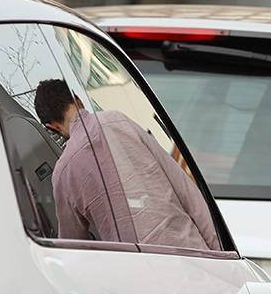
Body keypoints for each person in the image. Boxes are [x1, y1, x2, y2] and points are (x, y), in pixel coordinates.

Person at [33, 79, 220, 251]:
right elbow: (184, 188)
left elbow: (72, 247)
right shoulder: (118, 121)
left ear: (52, 126)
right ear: (78, 99)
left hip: (138, 270)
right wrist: (219, 249)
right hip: (193, 253)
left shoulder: (63, 173)